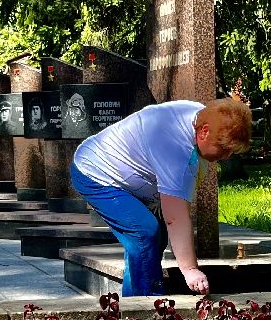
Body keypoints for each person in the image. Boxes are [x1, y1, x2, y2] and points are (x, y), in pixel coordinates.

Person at [70, 96, 252, 297]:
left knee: (154, 238)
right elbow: (175, 217)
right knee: (144, 232)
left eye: (231, 151)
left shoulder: (201, 115)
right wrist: (190, 269)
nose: (226, 156)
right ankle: (148, 306)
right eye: (224, 148)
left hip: (125, 179)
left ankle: (132, 305)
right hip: (95, 173)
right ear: (204, 131)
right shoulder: (175, 148)